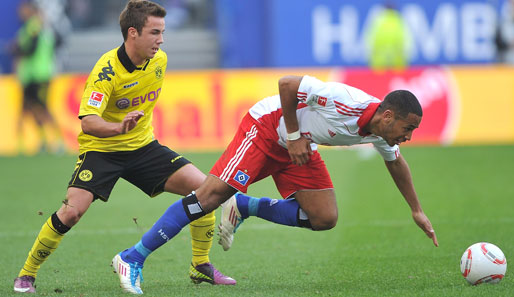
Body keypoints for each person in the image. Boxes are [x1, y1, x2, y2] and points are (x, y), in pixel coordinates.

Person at [112, 74, 439, 294]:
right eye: (407, 128)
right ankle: (133, 257)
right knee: (209, 197)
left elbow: (396, 163)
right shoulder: (346, 101)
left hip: (297, 144)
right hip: (268, 127)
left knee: (324, 217)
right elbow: (287, 83)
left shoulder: (381, 132)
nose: (407, 137)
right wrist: (294, 135)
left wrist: (417, 210)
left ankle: (244, 206)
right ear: (388, 116)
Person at [13, 0, 235, 294]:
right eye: (155, 32)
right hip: (102, 150)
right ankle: (26, 275)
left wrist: (132, 129)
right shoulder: (106, 70)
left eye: (163, 32)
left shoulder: (160, 61)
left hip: (143, 147)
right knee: (71, 212)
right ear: (133, 33)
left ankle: (200, 264)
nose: (161, 40)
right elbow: (89, 122)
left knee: (207, 192)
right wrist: (118, 127)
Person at [10, 1, 63, 153]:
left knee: (42, 108)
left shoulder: (34, 27)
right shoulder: (39, 27)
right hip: (32, 74)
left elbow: (29, 49)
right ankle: (43, 141)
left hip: (38, 74)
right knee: (32, 108)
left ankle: (57, 141)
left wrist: (16, 49)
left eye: (23, 9)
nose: (20, 12)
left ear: (30, 10)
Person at [366, 2, 411, 72]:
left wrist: (369, 56)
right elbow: (408, 41)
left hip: (379, 64)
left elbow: (369, 40)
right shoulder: (399, 20)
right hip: (397, 64)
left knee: (379, 82)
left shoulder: (378, 20)